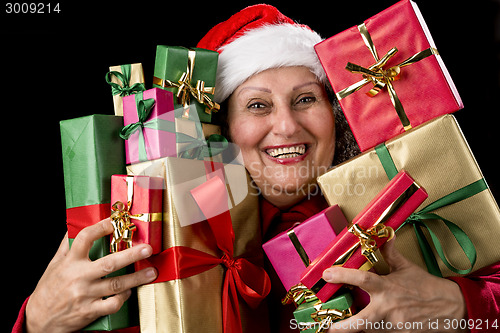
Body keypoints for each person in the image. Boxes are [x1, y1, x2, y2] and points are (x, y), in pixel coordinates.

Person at [14, 4, 500, 333]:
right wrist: (36, 322)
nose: (287, 126)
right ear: (223, 130)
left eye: (305, 99)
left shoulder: (401, 207)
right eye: (258, 106)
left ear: (335, 115)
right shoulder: (154, 234)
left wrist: (459, 307)